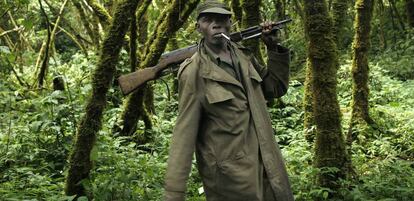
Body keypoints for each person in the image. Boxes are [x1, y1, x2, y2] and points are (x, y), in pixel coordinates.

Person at [164, 1, 294, 200]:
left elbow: (275, 88)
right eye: (208, 20)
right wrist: (174, 193)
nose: (216, 25)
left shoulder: (243, 56)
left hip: (267, 166)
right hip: (230, 179)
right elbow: (184, 134)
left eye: (222, 19)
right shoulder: (193, 72)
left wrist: (273, 47)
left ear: (231, 23)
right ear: (198, 27)